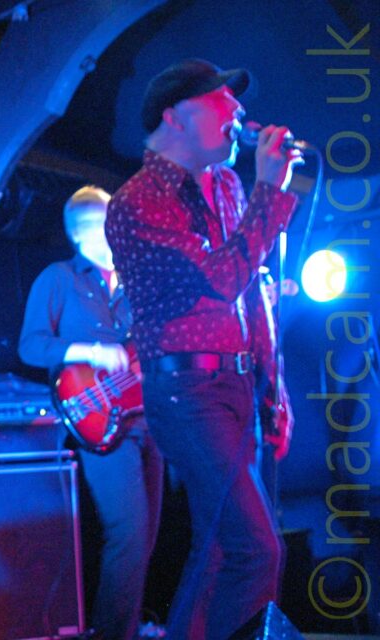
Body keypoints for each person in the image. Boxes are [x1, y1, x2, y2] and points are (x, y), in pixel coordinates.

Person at [104, 59, 298, 639]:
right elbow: (222, 277)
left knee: (218, 552)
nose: (238, 113)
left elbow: (252, 297)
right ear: (175, 115)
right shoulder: (136, 203)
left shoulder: (228, 185)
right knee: (256, 550)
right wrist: (271, 189)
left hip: (238, 384)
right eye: (221, 101)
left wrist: (273, 388)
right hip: (186, 392)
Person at [19, 186, 163, 640]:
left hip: (148, 416)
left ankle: (129, 624)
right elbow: (31, 345)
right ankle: (113, 634)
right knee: (129, 532)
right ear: (88, 229)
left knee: (147, 536)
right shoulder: (58, 279)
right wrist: (90, 351)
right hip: (99, 419)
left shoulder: (138, 278)